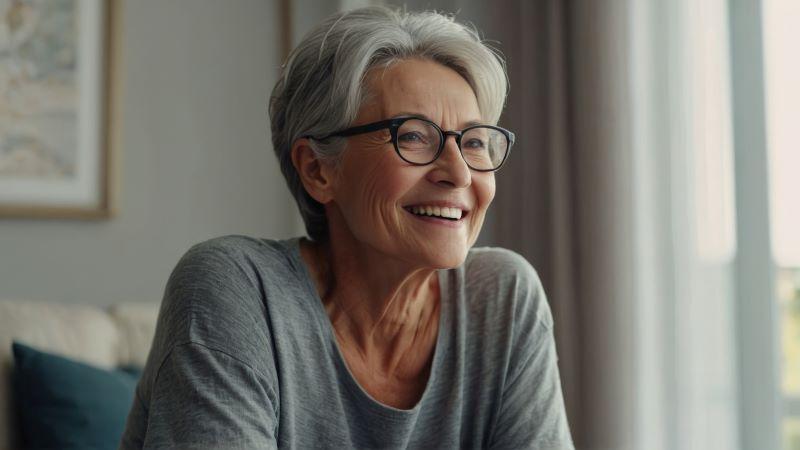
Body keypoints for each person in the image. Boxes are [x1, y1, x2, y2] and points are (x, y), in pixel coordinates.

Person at [119, 6, 574, 449]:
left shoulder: (502, 298)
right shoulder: (236, 287)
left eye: (474, 141)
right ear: (318, 169)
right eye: (414, 136)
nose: (458, 173)